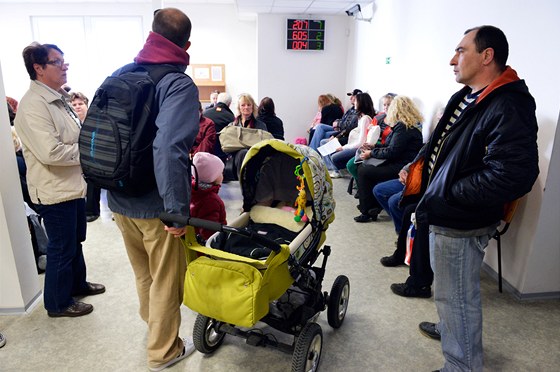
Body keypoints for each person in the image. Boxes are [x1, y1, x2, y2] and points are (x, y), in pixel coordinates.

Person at [414, 26, 539, 371]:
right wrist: (418, 166)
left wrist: (449, 194)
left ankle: (462, 364)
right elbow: (446, 145)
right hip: (446, 211)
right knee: (448, 290)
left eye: (461, 51)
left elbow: (513, 174)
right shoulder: (471, 95)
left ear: (487, 56)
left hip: (461, 216)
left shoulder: (508, 103)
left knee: (457, 297)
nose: (452, 60)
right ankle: (452, 329)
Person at [107, 8, 199, 371]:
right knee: (164, 280)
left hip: (117, 196)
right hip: (155, 204)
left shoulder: (121, 73)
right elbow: (169, 148)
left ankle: (154, 331)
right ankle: (164, 351)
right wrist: (176, 210)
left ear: (151, 34)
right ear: (186, 44)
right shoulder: (177, 83)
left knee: (143, 273)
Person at [14, 42, 105, 318]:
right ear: (38, 68)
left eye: (64, 61)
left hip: (72, 185)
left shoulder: (59, 98)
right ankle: (57, 302)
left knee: (74, 241)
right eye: (57, 62)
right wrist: (88, 153)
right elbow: (50, 152)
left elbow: (72, 136)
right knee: (61, 247)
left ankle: (76, 284)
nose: (64, 66)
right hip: (54, 190)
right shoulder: (33, 106)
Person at [354, 95, 423, 222]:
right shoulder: (407, 126)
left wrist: (371, 153)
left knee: (364, 171)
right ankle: (371, 206)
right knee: (365, 169)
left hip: (401, 166)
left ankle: (367, 211)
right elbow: (392, 146)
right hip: (401, 162)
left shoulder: (402, 128)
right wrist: (375, 146)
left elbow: (392, 152)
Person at [322, 92, 375, 178]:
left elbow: (360, 143)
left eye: (356, 101)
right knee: (328, 145)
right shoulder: (361, 118)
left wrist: (343, 147)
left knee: (334, 157)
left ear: (361, 103)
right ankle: (336, 170)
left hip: (358, 148)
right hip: (352, 144)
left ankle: (338, 171)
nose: (354, 103)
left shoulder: (365, 119)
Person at [70, 91, 101, 223]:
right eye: (74, 104)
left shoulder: (94, 120)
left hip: (94, 157)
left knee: (93, 183)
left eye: (80, 104)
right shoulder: (71, 122)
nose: (77, 106)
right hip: (78, 157)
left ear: (86, 105)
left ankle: (92, 210)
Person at [224, 93, 268, 177]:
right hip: (236, 158)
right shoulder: (232, 126)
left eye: (249, 105)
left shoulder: (261, 126)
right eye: (243, 105)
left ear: (252, 107)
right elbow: (227, 147)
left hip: (255, 157)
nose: (246, 107)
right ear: (239, 108)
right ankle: (244, 181)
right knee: (243, 153)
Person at [190, 152, 227, 241]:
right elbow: (210, 231)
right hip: (208, 247)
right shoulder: (211, 200)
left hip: (193, 239)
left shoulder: (191, 190)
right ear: (213, 177)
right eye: (220, 172)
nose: (222, 175)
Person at [204, 92, 235, 163]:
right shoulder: (230, 117)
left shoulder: (205, 113)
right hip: (222, 154)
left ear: (217, 100)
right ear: (229, 104)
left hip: (206, 150)